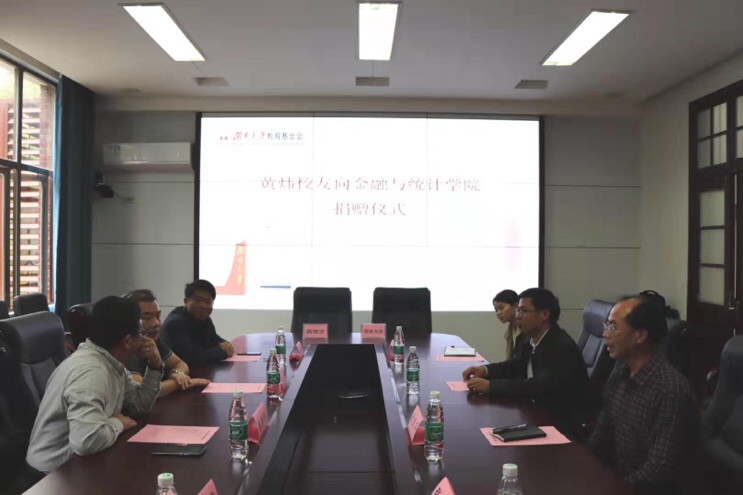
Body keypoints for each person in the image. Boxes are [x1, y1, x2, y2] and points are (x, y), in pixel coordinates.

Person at [25, 296, 161, 477]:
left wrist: (155, 366)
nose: (144, 340)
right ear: (128, 341)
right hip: (52, 476)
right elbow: (86, 442)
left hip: (82, 463)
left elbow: (140, 405)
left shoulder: (110, 361)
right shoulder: (91, 373)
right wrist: (117, 423)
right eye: (141, 334)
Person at [587, 295, 697, 494]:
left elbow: (659, 470)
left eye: (613, 327)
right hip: (619, 481)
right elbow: (601, 436)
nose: (605, 334)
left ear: (640, 336)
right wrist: (579, 466)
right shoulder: (619, 374)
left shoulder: (669, 389)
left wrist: (614, 489)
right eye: (606, 326)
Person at [462, 288, 590, 432]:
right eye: (517, 310)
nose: (517, 316)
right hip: (536, 411)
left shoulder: (559, 346)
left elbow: (537, 386)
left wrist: (490, 386)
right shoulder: (533, 339)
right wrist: (484, 370)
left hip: (560, 423)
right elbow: (515, 365)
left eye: (523, 310)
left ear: (544, 314)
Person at [124, 289, 210, 397]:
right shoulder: (125, 345)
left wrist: (177, 373)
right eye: (146, 318)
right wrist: (178, 383)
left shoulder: (151, 338)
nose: (156, 323)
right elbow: (142, 392)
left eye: (158, 316)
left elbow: (181, 364)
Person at [161, 279, 234, 367]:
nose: (203, 306)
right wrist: (223, 351)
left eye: (208, 302)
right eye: (198, 300)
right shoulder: (175, 323)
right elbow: (192, 357)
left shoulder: (205, 319)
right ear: (186, 301)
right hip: (176, 373)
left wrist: (227, 345)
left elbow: (214, 339)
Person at [493, 289, 526, 360]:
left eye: (501, 308)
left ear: (516, 306)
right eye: (496, 310)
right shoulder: (510, 329)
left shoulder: (526, 329)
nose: (498, 313)